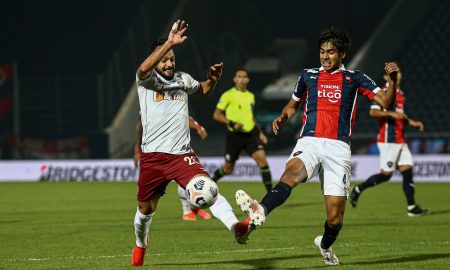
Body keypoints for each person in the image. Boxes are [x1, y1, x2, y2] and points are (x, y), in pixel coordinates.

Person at [234, 26, 400, 266]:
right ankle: (260, 211)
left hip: (338, 147)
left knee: (335, 220)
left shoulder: (355, 78)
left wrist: (392, 81)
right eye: (322, 51)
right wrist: (282, 117)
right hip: (309, 140)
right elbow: (292, 105)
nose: (325, 56)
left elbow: (386, 102)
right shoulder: (308, 75)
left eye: (331, 52)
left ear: (342, 54)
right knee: (292, 173)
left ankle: (324, 245)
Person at [131, 20, 250, 267]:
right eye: (164, 58)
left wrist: (213, 80)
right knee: (145, 210)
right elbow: (144, 68)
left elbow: (203, 91)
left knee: (208, 189)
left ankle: (236, 227)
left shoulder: (183, 79)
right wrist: (169, 42)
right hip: (153, 156)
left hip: (181, 155)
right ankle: (141, 243)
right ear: (156, 58)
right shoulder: (146, 81)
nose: (169, 63)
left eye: (172, 58)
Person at [350, 63, 429, 216]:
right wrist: (392, 114)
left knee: (407, 171)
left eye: (399, 72)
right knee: (386, 175)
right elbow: (373, 112)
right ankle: (358, 189)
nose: (398, 75)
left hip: (400, 139)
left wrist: (412, 122)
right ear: (386, 77)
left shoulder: (401, 94)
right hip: (388, 140)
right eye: (395, 73)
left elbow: (400, 116)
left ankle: (412, 207)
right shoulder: (384, 92)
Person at [134, 114, 213, 221]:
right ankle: (189, 210)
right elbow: (140, 127)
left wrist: (198, 126)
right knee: (148, 199)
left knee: (190, 176)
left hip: (177, 146)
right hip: (156, 150)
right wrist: (137, 150)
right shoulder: (149, 103)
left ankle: (192, 208)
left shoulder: (172, 100)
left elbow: (183, 116)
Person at [211, 68, 272, 192]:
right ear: (234, 79)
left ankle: (272, 195)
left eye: (244, 77)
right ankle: (211, 182)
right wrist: (232, 123)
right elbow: (217, 115)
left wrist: (260, 133)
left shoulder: (251, 96)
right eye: (239, 76)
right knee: (228, 170)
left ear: (248, 79)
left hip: (250, 135)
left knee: (263, 163)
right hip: (234, 136)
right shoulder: (228, 95)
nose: (242, 79)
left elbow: (251, 116)